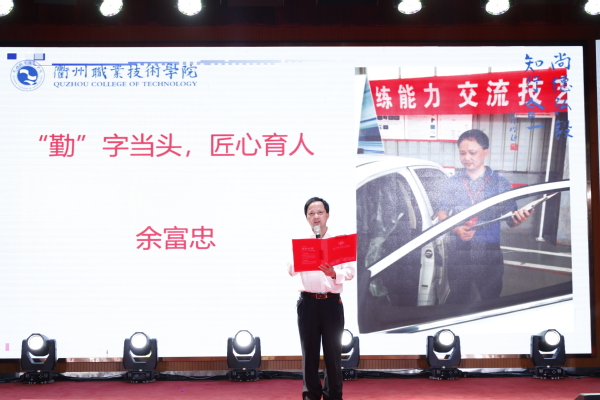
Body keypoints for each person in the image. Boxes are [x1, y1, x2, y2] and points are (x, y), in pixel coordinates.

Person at [437, 129, 531, 304]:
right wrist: (456, 229)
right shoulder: (452, 182)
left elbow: (511, 219)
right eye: (462, 153)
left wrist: (519, 219)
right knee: (458, 297)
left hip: (489, 252)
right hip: (459, 251)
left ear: (485, 153)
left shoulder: (500, 183)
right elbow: (442, 213)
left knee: (491, 299)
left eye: (472, 153)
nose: (466, 158)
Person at [288, 197, 355, 400]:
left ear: (327, 215)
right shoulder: (302, 242)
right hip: (307, 303)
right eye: (311, 213)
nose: (316, 216)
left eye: (319, 212)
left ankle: (333, 395)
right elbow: (291, 270)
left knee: (333, 354)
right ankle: (311, 395)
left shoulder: (340, 242)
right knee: (309, 353)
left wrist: (334, 273)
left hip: (331, 303)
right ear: (307, 218)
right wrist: (304, 255)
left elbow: (350, 272)